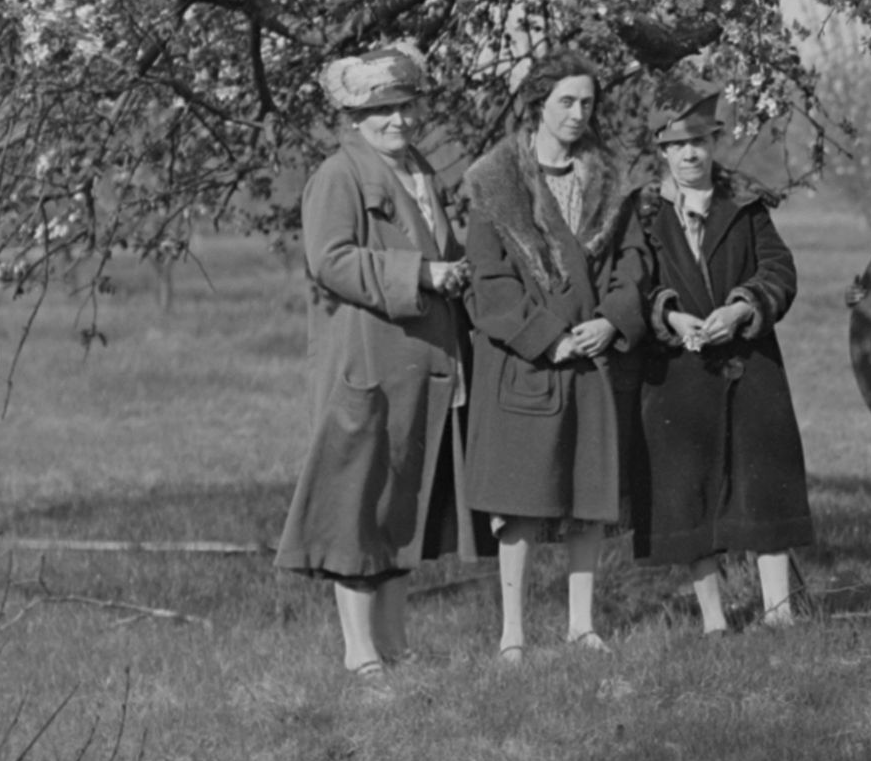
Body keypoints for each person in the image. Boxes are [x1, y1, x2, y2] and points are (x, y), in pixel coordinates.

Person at [272, 49, 476, 678]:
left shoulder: (419, 171)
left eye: (407, 106)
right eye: (382, 110)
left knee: (399, 507)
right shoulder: (337, 175)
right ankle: (360, 654)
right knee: (356, 509)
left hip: (418, 369)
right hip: (366, 368)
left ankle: (395, 645)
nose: (399, 120)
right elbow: (329, 260)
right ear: (355, 117)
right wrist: (421, 273)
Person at [458, 56, 638, 660]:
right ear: (539, 103)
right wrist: (549, 337)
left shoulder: (608, 183)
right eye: (566, 102)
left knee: (588, 498)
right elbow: (489, 285)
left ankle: (581, 626)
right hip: (524, 364)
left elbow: (631, 266)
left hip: (592, 358)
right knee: (521, 505)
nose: (577, 114)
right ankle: (512, 633)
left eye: (587, 104)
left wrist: (611, 323)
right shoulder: (493, 185)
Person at [609, 103, 813, 633]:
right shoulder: (644, 211)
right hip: (679, 371)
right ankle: (713, 620)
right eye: (676, 146)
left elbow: (779, 269)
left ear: (714, 144)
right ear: (662, 151)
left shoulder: (745, 204)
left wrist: (742, 308)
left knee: (765, 485)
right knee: (687, 492)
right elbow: (636, 281)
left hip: (750, 365)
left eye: (698, 142)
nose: (689, 154)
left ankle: (779, 612)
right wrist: (671, 317)